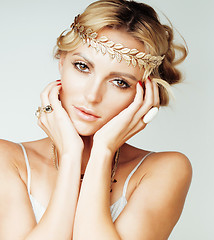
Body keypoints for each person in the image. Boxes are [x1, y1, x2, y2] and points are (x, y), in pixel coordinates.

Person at [0, 0, 192, 239]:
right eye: (82, 66)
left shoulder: (164, 170)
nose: (92, 96)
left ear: (144, 94)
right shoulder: (6, 160)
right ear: (62, 62)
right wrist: (70, 156)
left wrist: (103, 151)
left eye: (120, 82)